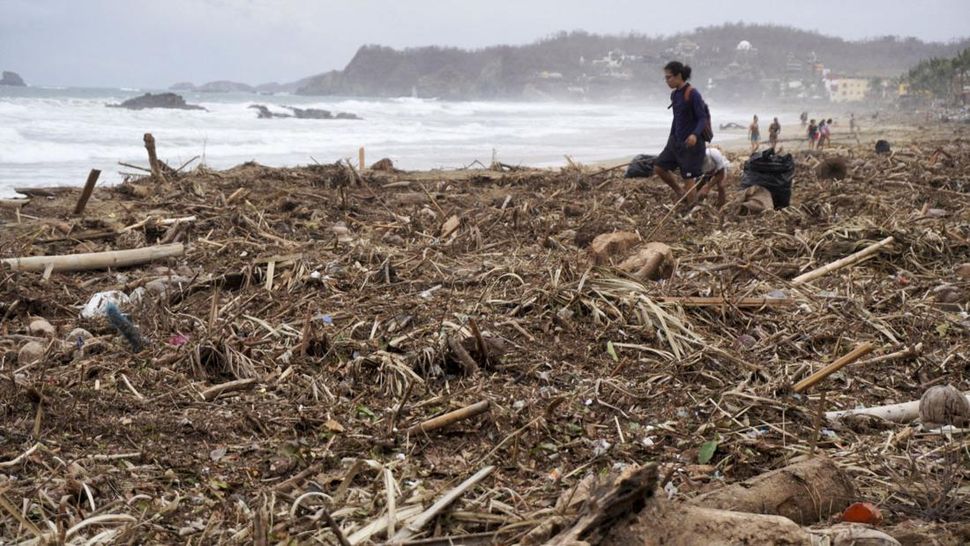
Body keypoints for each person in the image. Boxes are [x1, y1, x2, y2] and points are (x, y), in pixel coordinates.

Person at [653, 61, 709, 204]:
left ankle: (693, 209)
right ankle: (679, 191)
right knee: (659, 167)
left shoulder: (693, 93)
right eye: (665, 78)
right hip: (676, 142)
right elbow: (676, 119)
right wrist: (671, 138)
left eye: (669, 77)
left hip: (692, 144)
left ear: (679, 76)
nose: (667, 81)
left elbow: (702, 118)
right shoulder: (675, 95)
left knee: (688, 178)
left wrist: (694, 135)